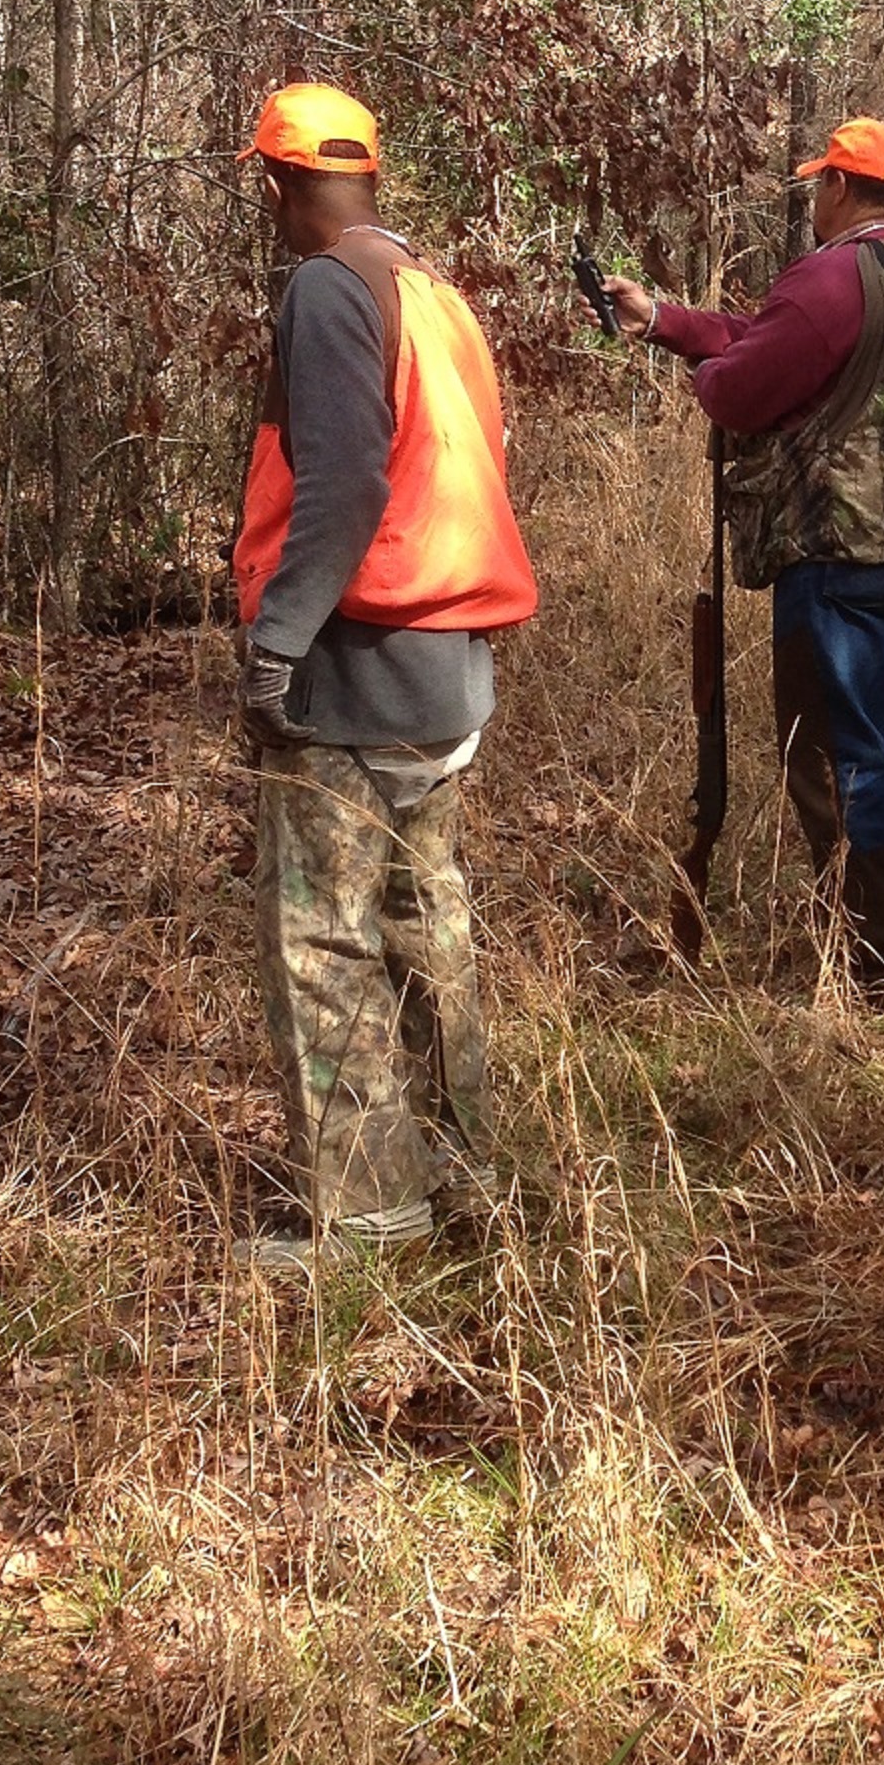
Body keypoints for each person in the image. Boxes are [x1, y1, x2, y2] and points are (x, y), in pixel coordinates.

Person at [232, 83, 538, 1267]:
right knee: (427, 928)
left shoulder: (324, 289)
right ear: (369, 176)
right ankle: (464, 1182)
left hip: (353, 674)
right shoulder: (435, 294)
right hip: (446, 670)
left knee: (325, 942)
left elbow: (350, 484)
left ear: (276, 184)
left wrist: (278, 641)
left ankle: (366, 1218)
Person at [601, 117, 884, 990]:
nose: (813, 200)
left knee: (841, 748)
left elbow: (744, 387)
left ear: (842, 188)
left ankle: (882, 961)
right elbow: (789, 341)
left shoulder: (828, 276)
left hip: (836, 549)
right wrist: (668, 322)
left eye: (818, 186)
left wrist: (704, 376)